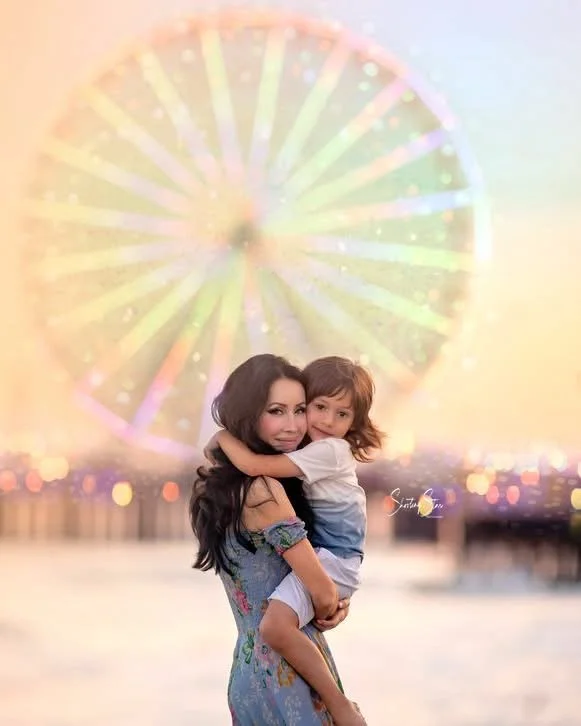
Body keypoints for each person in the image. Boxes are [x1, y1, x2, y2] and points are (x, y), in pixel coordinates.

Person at [190, 354, 366, 725]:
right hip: (288, 676)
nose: (293, 426)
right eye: (276, 411)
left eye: (299, 410)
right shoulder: (264, 490)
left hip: (248, 670)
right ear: (248, 413)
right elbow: (323, 594)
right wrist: (333, 601)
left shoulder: (223, 488)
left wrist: (331, 599)